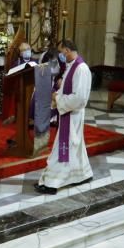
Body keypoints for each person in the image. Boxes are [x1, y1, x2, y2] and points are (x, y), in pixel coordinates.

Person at [36, 40, 93, 194]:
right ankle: (83, 174)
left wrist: (58, 99)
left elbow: (80, 98)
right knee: (74, 147)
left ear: (67, 51)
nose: (61, 56)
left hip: (72, 113)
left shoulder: (81, 69)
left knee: (64, 150)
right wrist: (57, 96)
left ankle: (52, 182)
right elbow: (67, 90)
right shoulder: (72, 66)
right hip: (69, 113)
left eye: (62, 52)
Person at [2, 41, 35, 124]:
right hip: (20, 87)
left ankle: (31, 117)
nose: (27, 51)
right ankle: (17, 116)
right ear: (20, 53)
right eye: (24, 50)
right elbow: (11, 76)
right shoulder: (17, 63)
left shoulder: (35, 61)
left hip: (33, 87)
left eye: (28, 49)